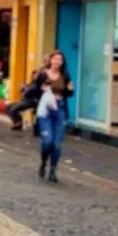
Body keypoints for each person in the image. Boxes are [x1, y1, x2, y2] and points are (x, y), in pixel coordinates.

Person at [33, 51, 74, 182]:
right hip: (46, 110)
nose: (57, 62)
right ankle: (43, 162)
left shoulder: (65, 75)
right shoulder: (42, 74)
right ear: (50, 60)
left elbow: (69, 93)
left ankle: (53, 169)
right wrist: (41, 89)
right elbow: (34, 91)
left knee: (57, 144)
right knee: (47, 142)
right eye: (55, 59)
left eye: (60, 60)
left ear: (62, 62)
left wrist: (70, 89)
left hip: (60, 108)